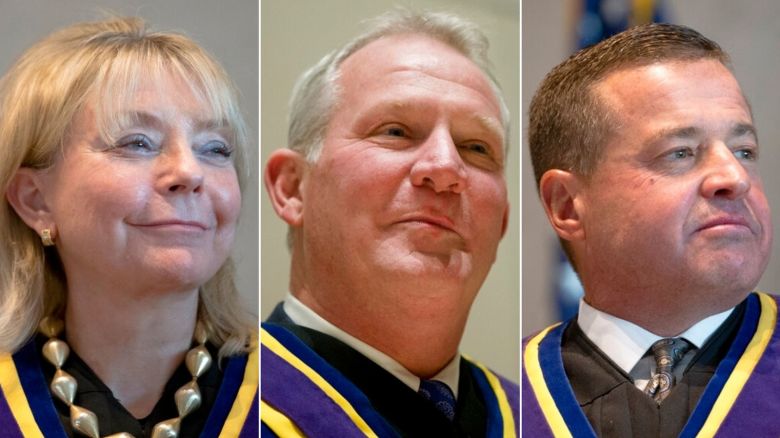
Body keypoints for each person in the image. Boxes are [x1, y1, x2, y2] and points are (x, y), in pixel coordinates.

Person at [261, 8, 518, 437]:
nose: (445, 167)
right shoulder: (230, 407)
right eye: (395, 131)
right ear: (292, 189)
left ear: (503, 222)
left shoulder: (541, 418)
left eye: (476, 147)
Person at [0, 17, 257, 437]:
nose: (190, 171)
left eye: (215, 148)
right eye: (137, 142)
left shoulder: (293, 404)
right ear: (35, 200)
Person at [523, 23, 777, 437]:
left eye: (744, 150)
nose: (735, 176)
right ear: (567, 206)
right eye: (680, 152)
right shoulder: (498, 406)